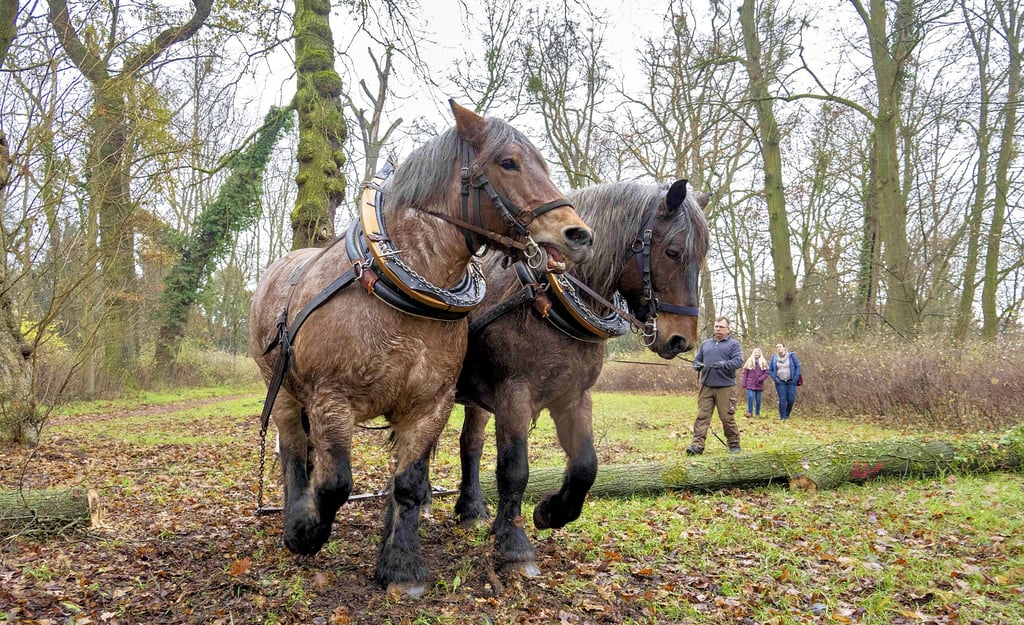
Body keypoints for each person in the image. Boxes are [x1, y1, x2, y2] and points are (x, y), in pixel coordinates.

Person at [686, 317, 744, 455]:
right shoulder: (706, 344)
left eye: (721, 327)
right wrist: (697, 365)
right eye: (716, 326)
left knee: (726, 417)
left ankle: (734, 444)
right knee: (702, 416)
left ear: (728, 329)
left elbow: (738, 362)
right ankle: (697, 446)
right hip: (706, 386)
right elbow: (697, 360)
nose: (718, 329)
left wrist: (723, 364)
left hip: (725, 387)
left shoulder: (734, 345)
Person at [768, 342, 802, 420]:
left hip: (791, 381)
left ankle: (787, 414)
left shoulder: (792, 356)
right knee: (782, 399)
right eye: (777, 347)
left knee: (791, 399)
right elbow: (770, 370)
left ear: (784, 347)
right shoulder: (774, 358)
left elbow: (798, 366)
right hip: (780, 382)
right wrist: (775, 378)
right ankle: (782, 416)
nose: (778, 348)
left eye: (780, 346)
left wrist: (795, 378)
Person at [741, 347, 769, 417]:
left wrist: (760, 379)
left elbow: (766, 373)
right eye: (755, 352)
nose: (757, 353)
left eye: (758, 352)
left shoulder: (763, 362)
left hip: (759, 384)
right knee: (750, 397)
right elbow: (745, 373)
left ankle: (757, 413)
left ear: (760, 354)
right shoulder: (749, 361)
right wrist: (744, 383)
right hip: (750, 382)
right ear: (753, 353)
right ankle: (749, 412)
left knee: (758, 399)